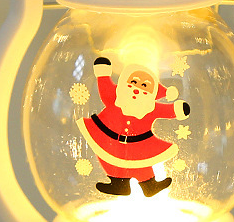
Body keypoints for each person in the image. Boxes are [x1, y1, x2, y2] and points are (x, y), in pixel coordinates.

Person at [77, 56, 190, 197]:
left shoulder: (150, 107)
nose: (137, 89)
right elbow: (105, 89)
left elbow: (166, 110)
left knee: (142, 162)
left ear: (152, 92)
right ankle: (119, 185)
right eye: (134, 82)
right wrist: (103, 74)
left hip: (138, 144)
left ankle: (150, 185)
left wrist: (178, 109)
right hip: (109, 139)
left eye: (144, 86)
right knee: (108, 159)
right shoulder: (116, 98)